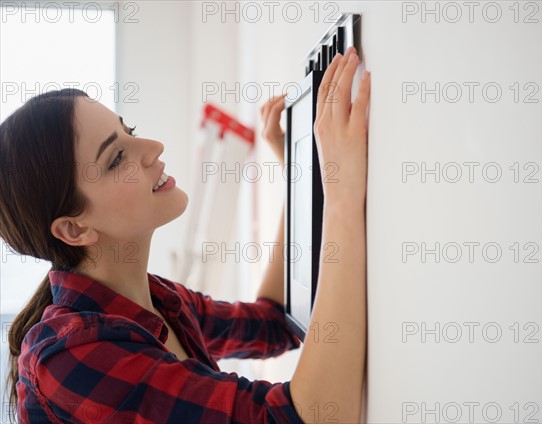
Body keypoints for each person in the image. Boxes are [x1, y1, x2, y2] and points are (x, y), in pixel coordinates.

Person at [0, 46, 370, 423]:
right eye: (116, 158)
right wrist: (341, 194)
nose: (153, 148)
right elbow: (309, 417)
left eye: (130, 132)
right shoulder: (69, 357)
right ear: (74, 228)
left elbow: (274, 322)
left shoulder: (164, 301)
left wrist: (298, 173)